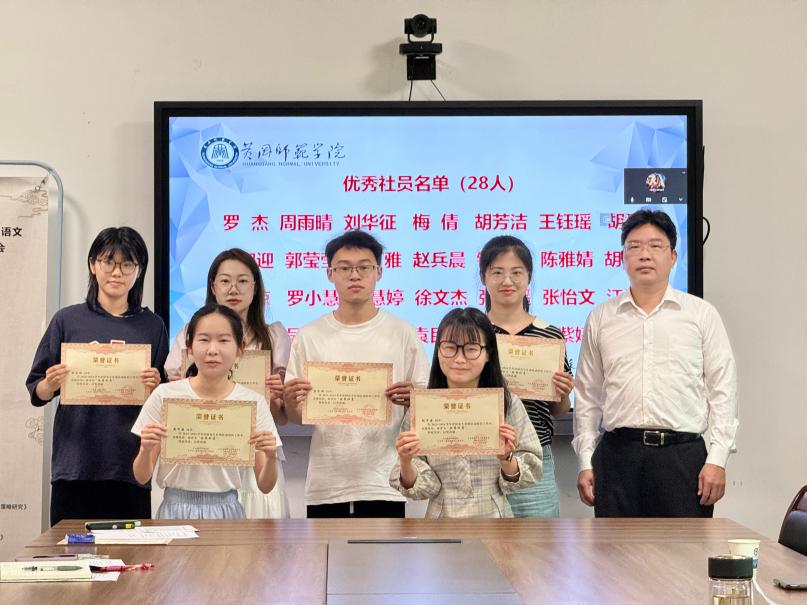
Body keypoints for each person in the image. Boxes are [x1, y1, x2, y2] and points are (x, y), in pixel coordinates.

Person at [573, 209, 738, 517]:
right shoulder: (602, 318)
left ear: (673, 257)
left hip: (682, 458)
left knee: (683, 548)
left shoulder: (701, 315)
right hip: (617, 457)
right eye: (634, 246)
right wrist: (585, 461)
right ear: (622, 257)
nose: (644, 254)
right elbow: (587, 397)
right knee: (615, 547)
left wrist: (717, 459)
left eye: (655, 246)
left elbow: (722, 391)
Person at [25, 226, 168, 525]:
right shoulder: (67, 320)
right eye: (108, 262)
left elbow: (162, 399)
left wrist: (156, 386)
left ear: (139, 270)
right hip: (75, 465)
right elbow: (36, 391)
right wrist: (50, 383)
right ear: (93, 264)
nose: (116, 272)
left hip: (129, 465)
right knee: (72, 550)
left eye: (127, 264)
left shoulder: (152, 326)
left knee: (129, 553)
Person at [283, 230, 430, 518]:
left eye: (364, 267)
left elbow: (426, 407)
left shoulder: (402, 333)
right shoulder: (309, 336)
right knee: (323, 550)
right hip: (326, 483)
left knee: (382, 551)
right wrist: (290, 402)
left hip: (384, 482)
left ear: (379, 272)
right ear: (330, 274)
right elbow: (298, 416)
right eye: (344, 268)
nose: (354, 275)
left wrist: (414, 399)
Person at [164, 248, 291, 518]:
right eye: (225, 281)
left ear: (255, 287)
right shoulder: (188, 335)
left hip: (256, 456)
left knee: (260, 538)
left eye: (243, 281)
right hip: (208, 455)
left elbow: (281, 417)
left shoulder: (274, 337)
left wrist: (276, 397)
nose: (233, 288)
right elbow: (173, 404)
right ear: (213, 287)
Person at [390, 307, 542, 518]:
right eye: (450, 347)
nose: (459, 359)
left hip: (495, 520)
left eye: (471, 349)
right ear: (438, 350)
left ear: (488, 353)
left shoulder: (507, 403)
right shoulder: (424, 406)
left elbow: (531, 469)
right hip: (441, 522)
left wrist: (506, 458)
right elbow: (425, 488)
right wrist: (406, 462)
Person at [132, 304, 280, 519]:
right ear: (190, 347)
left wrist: (272, 456)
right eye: (203, 339)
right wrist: (145, 450)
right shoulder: (165, 395)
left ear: (240, 348)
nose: (212, 350)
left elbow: (265, 486)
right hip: (175, 510)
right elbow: (141, 477)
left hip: (228, 510)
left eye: (223, 340)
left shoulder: (252, 402)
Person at [479, 235, 574, 517]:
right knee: (478, 545)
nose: (507, 281)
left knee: (538, 544)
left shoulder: (549, 336)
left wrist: (563, 392)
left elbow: (559, 411)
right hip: (481, 460)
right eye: (497, 272)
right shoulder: (471, 332)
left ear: (528, 277)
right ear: (484, 277)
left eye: (516, 272)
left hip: (534, 459)